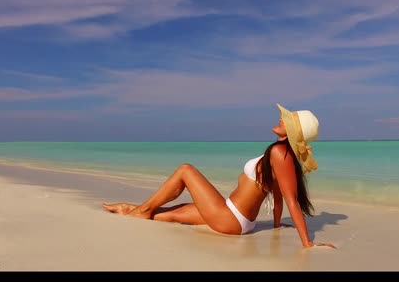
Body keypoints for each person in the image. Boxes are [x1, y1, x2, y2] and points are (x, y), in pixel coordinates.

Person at [102, 103, 335, 249]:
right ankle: (130, 209)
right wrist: (276, 225)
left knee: (186, 170)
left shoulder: (279, 153)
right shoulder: (280, 154)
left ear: (293, 131)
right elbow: (277, 193)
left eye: (288, 120)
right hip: (232, 214)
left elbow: (290, 198)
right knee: (173, 213)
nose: (281, 119)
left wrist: (307, 243)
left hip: (231, 219)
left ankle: (141, 210)